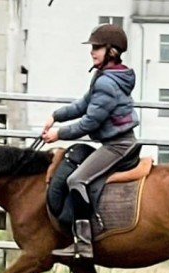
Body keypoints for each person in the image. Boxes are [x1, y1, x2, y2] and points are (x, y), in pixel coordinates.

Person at [42, 23, 140, 259]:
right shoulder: (104, 77)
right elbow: (83, 105)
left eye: (97, 47)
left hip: (119, 146)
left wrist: (59, 134)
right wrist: (56, 116)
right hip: (114, 143)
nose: (92, 51)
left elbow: (90, 123)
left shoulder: (107, 82)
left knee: (77, 179)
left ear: (112, 52)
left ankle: (84, 244)